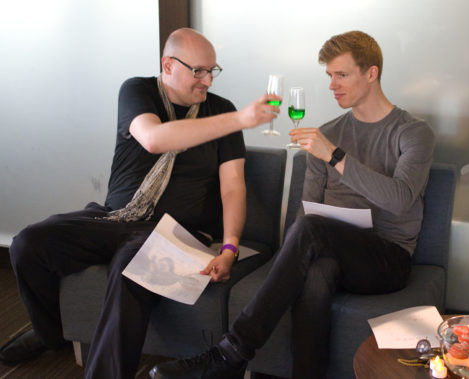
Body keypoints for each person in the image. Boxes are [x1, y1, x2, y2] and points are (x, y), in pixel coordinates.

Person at [150, 30, 435, 379]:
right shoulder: (328, 132)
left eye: (341, 75)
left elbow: (402, 199)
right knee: (317, 272)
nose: (332, 85)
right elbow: (308, 214)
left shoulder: (412, 132)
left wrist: (335, 156)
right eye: (329, 75)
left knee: (314, 232)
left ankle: (231, 353)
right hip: (332, 251)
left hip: (387, 258)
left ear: (371, 73)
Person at [0, 28, 281, 378]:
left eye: (212, 71)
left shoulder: (220, 110)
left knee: (132, 266)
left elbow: (232, 188)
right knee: (29, 243)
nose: (207, 80)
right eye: (198, 71)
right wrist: (241, 120)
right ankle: (50, 334)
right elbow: (153, 139)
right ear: (168, 65)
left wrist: (229, 248)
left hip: (178, 233)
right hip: (115, 219)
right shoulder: (138, 91)